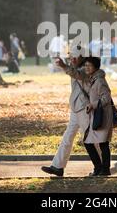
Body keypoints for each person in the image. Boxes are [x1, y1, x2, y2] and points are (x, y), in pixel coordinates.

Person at [41, 45, 89, 177]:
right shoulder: (75, 66)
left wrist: (63, 66)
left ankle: (103, 165)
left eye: (75, 56)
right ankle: (58, 167)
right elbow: (72, 71)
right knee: (68, 137)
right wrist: (63, 64)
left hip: (85, 109)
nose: (72, 59)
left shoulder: (87, 68)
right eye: (71, 56)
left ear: (82, 56)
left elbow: (78, 75)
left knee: (91, 139)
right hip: (76, 109)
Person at [82, 57, 113, 176]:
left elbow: (106, 98)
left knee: (102, 143)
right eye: (85, 65)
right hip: (96, 115)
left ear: (95, 67)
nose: (86, 68)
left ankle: (103, 169)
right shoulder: (93, 79)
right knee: (92, 142)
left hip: (103, 115)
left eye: (89, 65)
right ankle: (100, 168)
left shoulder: (100, 81)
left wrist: (92, 105)